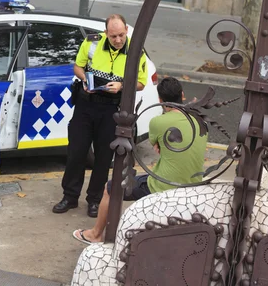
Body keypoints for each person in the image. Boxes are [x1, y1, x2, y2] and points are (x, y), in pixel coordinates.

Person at [72, 77, 208, 243]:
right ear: (182, 95)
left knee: (111, 188)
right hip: (193, 184)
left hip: (162, 184)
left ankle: (96, 234)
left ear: (160, 100)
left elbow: (157, 147)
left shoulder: (159, 122)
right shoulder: (198, 120)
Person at [53, 14, 148, 218]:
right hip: (86, 105)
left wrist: (122, 86)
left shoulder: (135, 51)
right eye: (113, 36)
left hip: (111, 110)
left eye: (121, 35)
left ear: (126, 31)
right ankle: (69, 196)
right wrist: (85, 80)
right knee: (76, 152)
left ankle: (94, 200)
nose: (118, 40)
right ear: (106, 33)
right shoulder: (91, 43)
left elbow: (142, 83)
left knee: (103, 158)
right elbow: (77, 66)